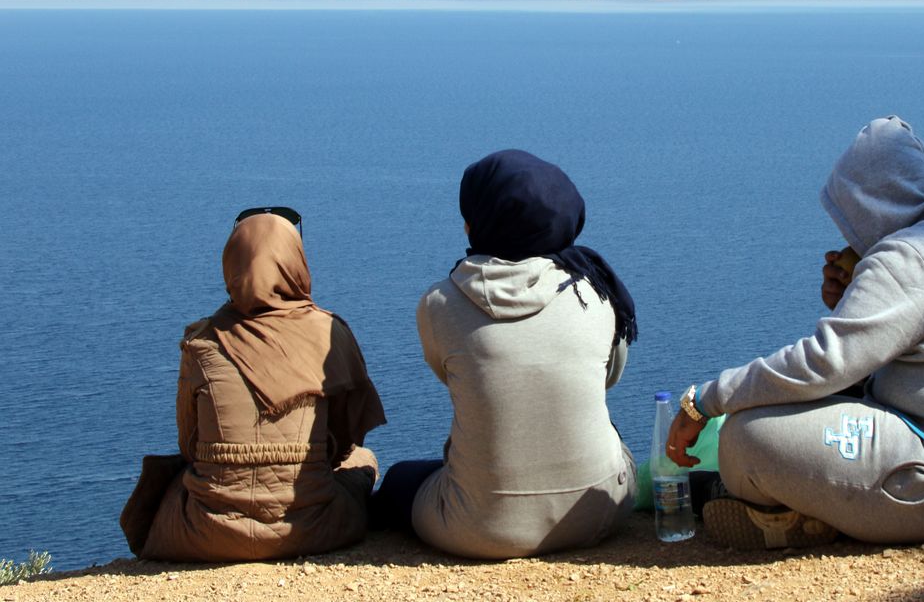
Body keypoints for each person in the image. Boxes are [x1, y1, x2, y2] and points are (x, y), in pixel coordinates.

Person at [666, 116, 924, 549]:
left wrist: (707, 399)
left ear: (867, 205)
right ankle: (821, 507)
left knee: (745, 437)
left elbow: (823, 364)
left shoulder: (909, 254)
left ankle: (794, 515)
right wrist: (851, 306)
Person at [371, 149, 637, 559]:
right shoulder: (596, 294)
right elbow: (609, 377)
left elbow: (456, 377)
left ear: (476, 224)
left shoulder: (439, 303)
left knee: (400, 480)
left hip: (480, 529)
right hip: (600, 513)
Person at [121, 208, 386, 562]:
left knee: (168, 483)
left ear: (231, 265)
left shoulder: (201, 344)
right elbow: (343, 443)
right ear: (296, 260)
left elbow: (189, 444)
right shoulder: (330, 334)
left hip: (208, 533)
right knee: (363, 460)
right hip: (313, 527)